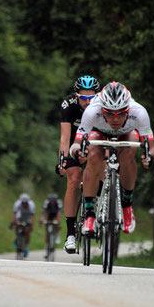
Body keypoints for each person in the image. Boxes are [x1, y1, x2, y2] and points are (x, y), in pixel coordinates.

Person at [69, 81, 154, 236]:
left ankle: (127, 205)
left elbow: (152, 147)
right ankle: (90, 215)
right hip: (99, 132)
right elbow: (76, 144)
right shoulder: (91, 112)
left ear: (128, 110)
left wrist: (149, 156)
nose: (115, 120)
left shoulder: (139, 112)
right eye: (110, 114)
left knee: (130, 153)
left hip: (127, 133)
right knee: (94, 157)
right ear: (102, 110)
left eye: (121, 114)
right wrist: (77, 152)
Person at [57, 75, 100, 253]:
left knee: (99, 167)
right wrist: (62, 159)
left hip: (93, 141)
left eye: (91, 98)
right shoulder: (69, 105)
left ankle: (99, 206)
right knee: (74, 179)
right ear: (76, 95)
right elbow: (65, 137)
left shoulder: (102, 105)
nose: (87, 102)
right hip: (74, 144)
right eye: (83, 97)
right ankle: (70, 234)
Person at [9, 193, 35, 257]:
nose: (24, 204)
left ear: (28, 202)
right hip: (20, 215)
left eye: (25, 203)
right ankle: (17, 237)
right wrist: (12, 223)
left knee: (27, 231)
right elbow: (14, 214)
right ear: (21, 201)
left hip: (27, 216)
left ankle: (26, 247)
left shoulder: (31, 205)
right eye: (23, 203)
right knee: (17, 225)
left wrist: (30, 225)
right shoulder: (17, 204)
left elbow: (32, 217)